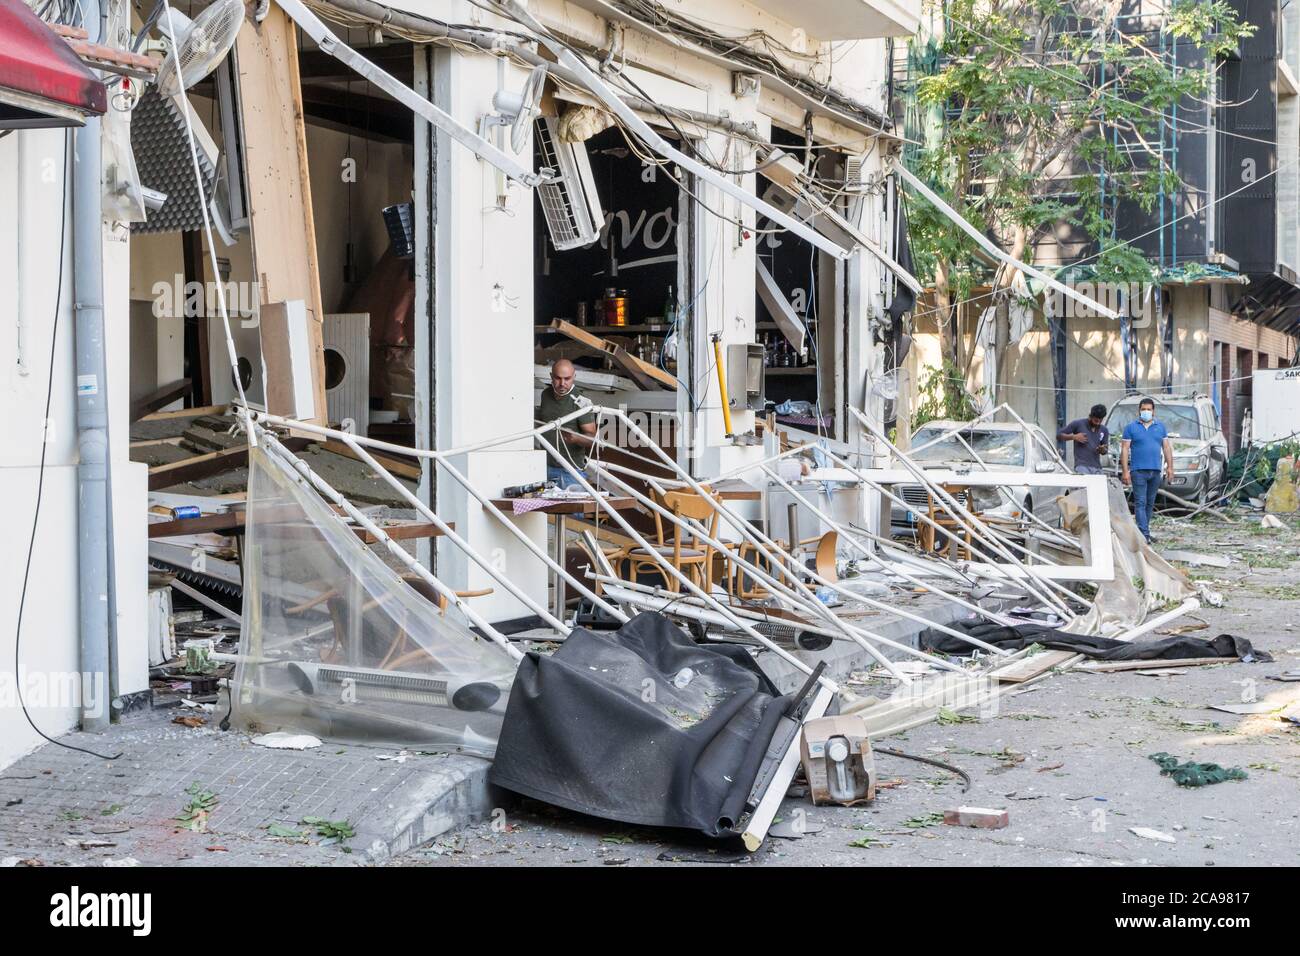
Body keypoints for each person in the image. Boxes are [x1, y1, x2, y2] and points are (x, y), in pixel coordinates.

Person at [1120, 397, 1175, 544]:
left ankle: (1144, 531)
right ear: (1139, 410)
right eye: (1143, 409)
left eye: (1149, 409)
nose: (1146, 412)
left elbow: (1167, 447)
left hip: (1155, 470)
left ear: (1153, 411)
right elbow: (1124, 449)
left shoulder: (1160, 427)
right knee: (1140, 502)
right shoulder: (1131, 428)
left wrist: (1170, 467)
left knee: (1150, 503)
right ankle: (1144, 535)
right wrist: (1125, 471)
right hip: (1138, 470)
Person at [536, 359, 597, 486]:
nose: (562, 383)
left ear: (574, 377)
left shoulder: (581, 402)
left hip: (570, 471)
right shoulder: (545, 395)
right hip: (544, 467)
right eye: (558, 378)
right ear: (551, 376)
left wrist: (576, 438)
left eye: (567, 378)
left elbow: (593, 438)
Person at [1057, 403, 1110, 475]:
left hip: (1097, 467)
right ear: (1090, 416)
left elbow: (1105, 450)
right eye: (1095, 421)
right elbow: (1059, 435)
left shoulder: (1104, 430)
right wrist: (1073, 437)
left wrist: (1103, 450)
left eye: (1100, 421)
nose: (1098, 423)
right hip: (1082, 466)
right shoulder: (1078, 424)